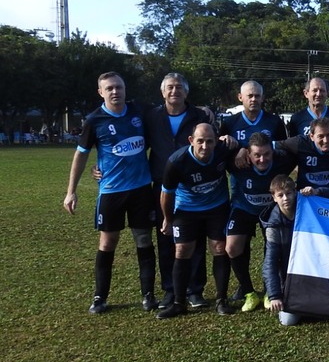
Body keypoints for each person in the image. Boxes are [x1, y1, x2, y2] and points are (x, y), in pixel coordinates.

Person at [63, 72, 157, 314]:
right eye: (110, 88)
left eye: (119, 87)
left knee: (144, 239)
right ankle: (99, 297)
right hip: (111, 191)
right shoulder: (94, 120)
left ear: (125, 89)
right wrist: (71, 191)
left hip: (141, 189)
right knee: (107, 242)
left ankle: (148, 294)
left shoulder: (140, 111)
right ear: (100, 92)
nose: (115, 92)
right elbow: (81, 154)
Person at [144, 73, 215, 309]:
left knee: (195, 240)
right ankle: (170, 290)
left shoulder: (200, 116)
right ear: (163, 92)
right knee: (166, 237)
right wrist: (101, 166)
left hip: (194, 187)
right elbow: (137, 146)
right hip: (163, 186)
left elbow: (214, 141)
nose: (174, 91)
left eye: (179, 87)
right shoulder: (152, 117)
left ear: (186, 92)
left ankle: (195, 290)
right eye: (170, 88)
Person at [157, 123, 240, 319]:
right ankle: (179, 303)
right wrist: (168, 219)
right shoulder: (177, 161)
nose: (205, 146)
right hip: (187, 209)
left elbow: (243, 149)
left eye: (209, 141)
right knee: (182, 250)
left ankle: (221, 300)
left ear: (216, 141)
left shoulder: (223, 150)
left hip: (217, 207)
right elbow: (166, 194)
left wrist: (238, 147)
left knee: (219, 248)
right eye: (200, 141)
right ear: (191, 141)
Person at [219, 80, 287, 302]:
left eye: (258, 95)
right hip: (242, 194)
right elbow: (221, 150)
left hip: (269, 196)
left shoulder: (274, 122)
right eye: (250, 95)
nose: (254, 99)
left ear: (262, 97)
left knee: (273, 243)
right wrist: (239, 149)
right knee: (239, 243)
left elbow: (283, 150)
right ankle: (245, 288)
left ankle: (272, 286)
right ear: (240, 98)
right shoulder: (229, 122)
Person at [225, 132, 296, 312]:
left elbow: (301, 152)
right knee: (232, 247)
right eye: (257, 155)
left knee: (275, 247)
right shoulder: (238, 162)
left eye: (266, 154)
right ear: (249, 154)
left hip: (272, 210)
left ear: (273, 152)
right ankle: (249, 293)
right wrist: (235, 147)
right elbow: (216, 152)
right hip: (244, 208)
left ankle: (268, 291)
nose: (262, 159)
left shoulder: (283, 161)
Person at [262, 175, 301, 326]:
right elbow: (269, 263)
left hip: (310, 274)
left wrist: (316, 191)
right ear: (274, 198)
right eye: (280, 195)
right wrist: (275, 295)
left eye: (289, 193)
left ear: (295, 192)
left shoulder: (307, 209)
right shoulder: (273, 227)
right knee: (288, 321)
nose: (286, 198)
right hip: (289, 279)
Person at [275, 118, 329, 193]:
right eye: (321, 136)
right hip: (307, 196)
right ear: (311, 136)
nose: (326, 140)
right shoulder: (300, 143)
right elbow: (272, 145)